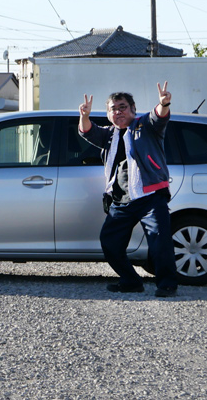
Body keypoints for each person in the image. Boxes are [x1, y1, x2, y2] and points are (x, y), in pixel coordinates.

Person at [78, 82, 178, 297]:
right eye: (113, 108)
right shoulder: (110, 135)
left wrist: (164, 104)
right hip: (121, 200)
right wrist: (84, 116)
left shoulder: (145, 126)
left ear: (133, 109)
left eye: (122, 107)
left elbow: (158, 117)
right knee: (110, 242)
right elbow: (88, 132)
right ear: (108, 114)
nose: (118, 111)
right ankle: (131, 281)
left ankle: (167, 284)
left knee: (159, 239)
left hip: (150, 196)